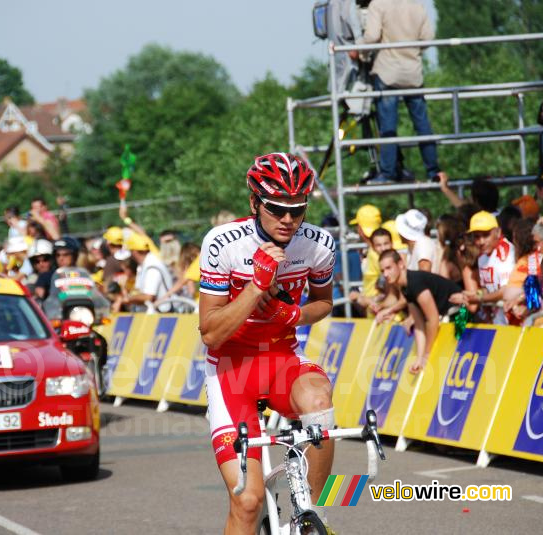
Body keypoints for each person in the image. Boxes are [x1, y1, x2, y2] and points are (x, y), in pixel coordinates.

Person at [198, 152, 336, 533]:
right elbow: (210, 332)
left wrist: (296, 316)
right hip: (231, 372)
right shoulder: (223, 243)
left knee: (320, 405)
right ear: (254, 203)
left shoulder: (318, 244)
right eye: (276, 209)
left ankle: (315, 515)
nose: (289, 219)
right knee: (247, 501)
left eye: (298, 209)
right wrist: (256, 285)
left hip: (283, 360)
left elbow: (324, 302)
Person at [356, 0, 441, 183]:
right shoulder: (417, 5)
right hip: (413, 73)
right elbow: (427, 38)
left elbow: (371, 37)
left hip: (387, 72)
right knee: (422, 124)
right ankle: (433, 171)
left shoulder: (378, 5)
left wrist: (357, 48)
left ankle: (388, 173)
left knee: (388, 126)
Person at [379, 249, 465, 373]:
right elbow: (419, 324)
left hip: (461, 313)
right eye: (382, 271)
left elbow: (433, 319)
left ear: (401, 264)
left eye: (389, 268)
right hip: (448, 315)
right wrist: (419, 359)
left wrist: (426, 355)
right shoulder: (405, 287)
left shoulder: (415, 282)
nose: (386, 274)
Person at [463, 211, 516, 324]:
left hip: (513, 319)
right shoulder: (482, 257)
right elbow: (488, 289)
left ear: (498, 232)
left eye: (486, 235)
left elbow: (505, 291)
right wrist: (473, 295)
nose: (481, 241)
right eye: (477, 236)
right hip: (498, 320)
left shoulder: (505, 253)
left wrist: (479, 299)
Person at [122, 233, 174, 312]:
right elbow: (140, 291)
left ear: (134, 252)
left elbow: (148, 297)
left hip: (163, 315)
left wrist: (127, 299)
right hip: (156, 315)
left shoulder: (152, 267)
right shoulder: (144, 265)